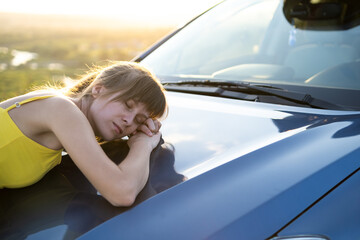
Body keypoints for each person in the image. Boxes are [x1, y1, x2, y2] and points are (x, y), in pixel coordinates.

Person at [0, 61, 167, 207]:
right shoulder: (62, 110)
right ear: (98, 89)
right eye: (127, 105)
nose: (129, 121)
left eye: (139, 120)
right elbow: (122, 193)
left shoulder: (63, 115)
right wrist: (144, 143)